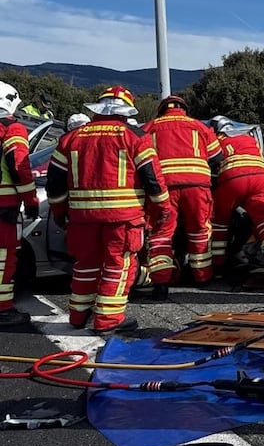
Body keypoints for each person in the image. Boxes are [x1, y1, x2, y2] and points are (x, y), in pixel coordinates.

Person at [46, 86, 172, 335]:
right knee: (119, 265)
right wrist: (163, 209)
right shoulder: (134, 136)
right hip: (123, 219)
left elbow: (54, 183)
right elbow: (153, 180)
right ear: (125, 112)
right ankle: (108, 320)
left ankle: (78, 315)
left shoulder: (71, 138)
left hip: (81, 218)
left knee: (85, 265)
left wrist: (60, 212)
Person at [144, 96, 222, 296]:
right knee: (199, 230)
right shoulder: (198, 126)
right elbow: (217, 157)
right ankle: (202, 277)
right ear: (184, 109)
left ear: (161, 110)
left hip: (164, 187)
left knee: (161, 233)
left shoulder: (150, 127)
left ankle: (161, 284)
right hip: (197, 186)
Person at [209, 116, 264, 285]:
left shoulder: (216, 141)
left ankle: (218, 268)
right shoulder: (248, 138)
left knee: (220, 222)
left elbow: (213, 163)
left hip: (232, 179)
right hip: (261, 176)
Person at [0, 82, 38, 328]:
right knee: (4, 259)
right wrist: (31, 201)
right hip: (4, 205)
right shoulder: (12, 129)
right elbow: (20, 167)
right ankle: (3, 310)